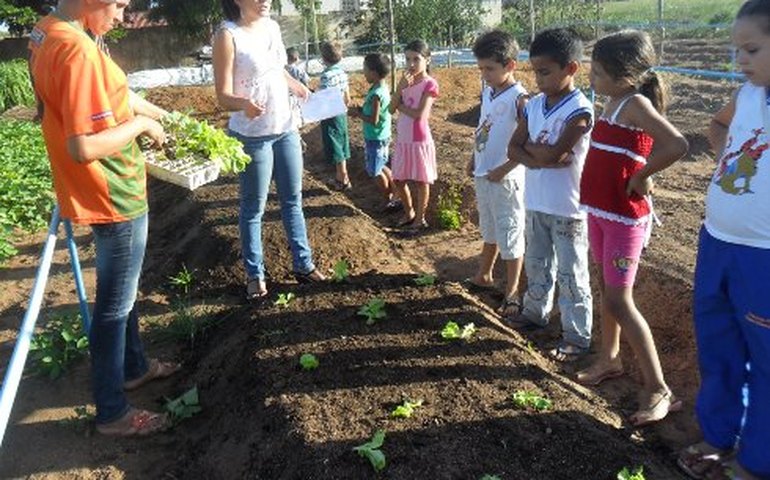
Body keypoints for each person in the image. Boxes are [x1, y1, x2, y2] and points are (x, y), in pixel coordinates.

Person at [28, 0, 180, 436]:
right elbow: (83, 146)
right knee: (115, 305)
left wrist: (164, 116)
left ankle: (133, 367)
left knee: (124, 293)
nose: (121, 17)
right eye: (117, 5)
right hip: (112, 192)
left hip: (94, 188)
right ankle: (112, 411)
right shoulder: (76, 50)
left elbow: (109, 95)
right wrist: (139, 127)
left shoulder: (48, 31)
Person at [576, 30, 688, 426]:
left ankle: (659, 388)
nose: (592, 78)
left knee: (621, 300)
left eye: (599, 72)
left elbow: (676, 145)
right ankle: (609, 358)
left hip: (625, 219)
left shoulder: (635, 104)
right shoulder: (612, 102)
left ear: (625, 74)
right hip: (600, 212)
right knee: (607, 291)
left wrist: (643, 175)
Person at [677, 1, 770, 478]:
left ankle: (757, 461)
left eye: (751, 49)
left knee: (766, 359)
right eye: (737, 51)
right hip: (716, 242)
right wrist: (727, 159)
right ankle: (718, 436)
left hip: (764, 259)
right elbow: (716, 126)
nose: (740, 62)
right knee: (719, 346)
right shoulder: (748, 95)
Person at [213, 0, 326, 301]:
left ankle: (303, 265)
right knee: (253, 208)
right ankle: (255, 275)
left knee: (293, 201)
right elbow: (222, 96)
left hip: (285, 127)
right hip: (253, 136)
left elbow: (277, 71)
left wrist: (297, 87)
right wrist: (243, 104)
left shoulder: (273, 28)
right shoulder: (227, 35)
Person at [507, 28, 594, 363]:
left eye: (545, 72)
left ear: (570, 68)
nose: (538, 79)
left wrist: (535, 155)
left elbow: (560, 154)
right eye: (535, 72)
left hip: (568, 208)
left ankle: (577, 336)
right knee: (538, 263)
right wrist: (540, 158)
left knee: (572, 274)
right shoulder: (534, 105)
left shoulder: (580, 110)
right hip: (537, 201)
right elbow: (513, 148)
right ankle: (534, 313)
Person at [465, 30, 528, 319]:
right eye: (481, 69)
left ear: (510, 65)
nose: (485, 74)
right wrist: (472, 158)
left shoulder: (520, 99)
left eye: (489, 68)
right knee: (489, 228)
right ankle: (484, 274)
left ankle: (513, 292)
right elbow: (483, 127)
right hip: (484, 173)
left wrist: (504, 169)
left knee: (510, 233)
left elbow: (526, 142)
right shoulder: (489, 92)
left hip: (506, 180)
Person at [390, 39, 439, 234]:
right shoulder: (406, 82)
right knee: (399, 179)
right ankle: (409, 212)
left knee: (421, 182)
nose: (411, 64)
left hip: (419, 140)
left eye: (416, 59)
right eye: (407, 59)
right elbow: (389, 108)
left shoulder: (430, 84)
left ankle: (420, 219)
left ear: (427, 60)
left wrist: (400, 105)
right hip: (403, 140)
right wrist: (401, 87)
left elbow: (420, 114)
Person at [349, 53, 399, 212]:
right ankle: (394, 192)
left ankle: (387, 199)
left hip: (375, 138)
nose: (363, 72)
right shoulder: (380, 88)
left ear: (374, 73)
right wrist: (361, 109)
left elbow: (374, 119)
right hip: (381, 136)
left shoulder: (377, 94)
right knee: (382, 164)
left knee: (375, 171)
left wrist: (357, 114)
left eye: (365, 69)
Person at [318, 41, 352, 191]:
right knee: (341, 143)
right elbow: (347, 97)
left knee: (335, 145)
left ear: (323, 58)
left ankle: (342, 179)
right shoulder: (342, 73)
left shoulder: (326, 75)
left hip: (330, 114)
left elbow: (324, 97)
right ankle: (344, 177)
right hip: (341, 113)